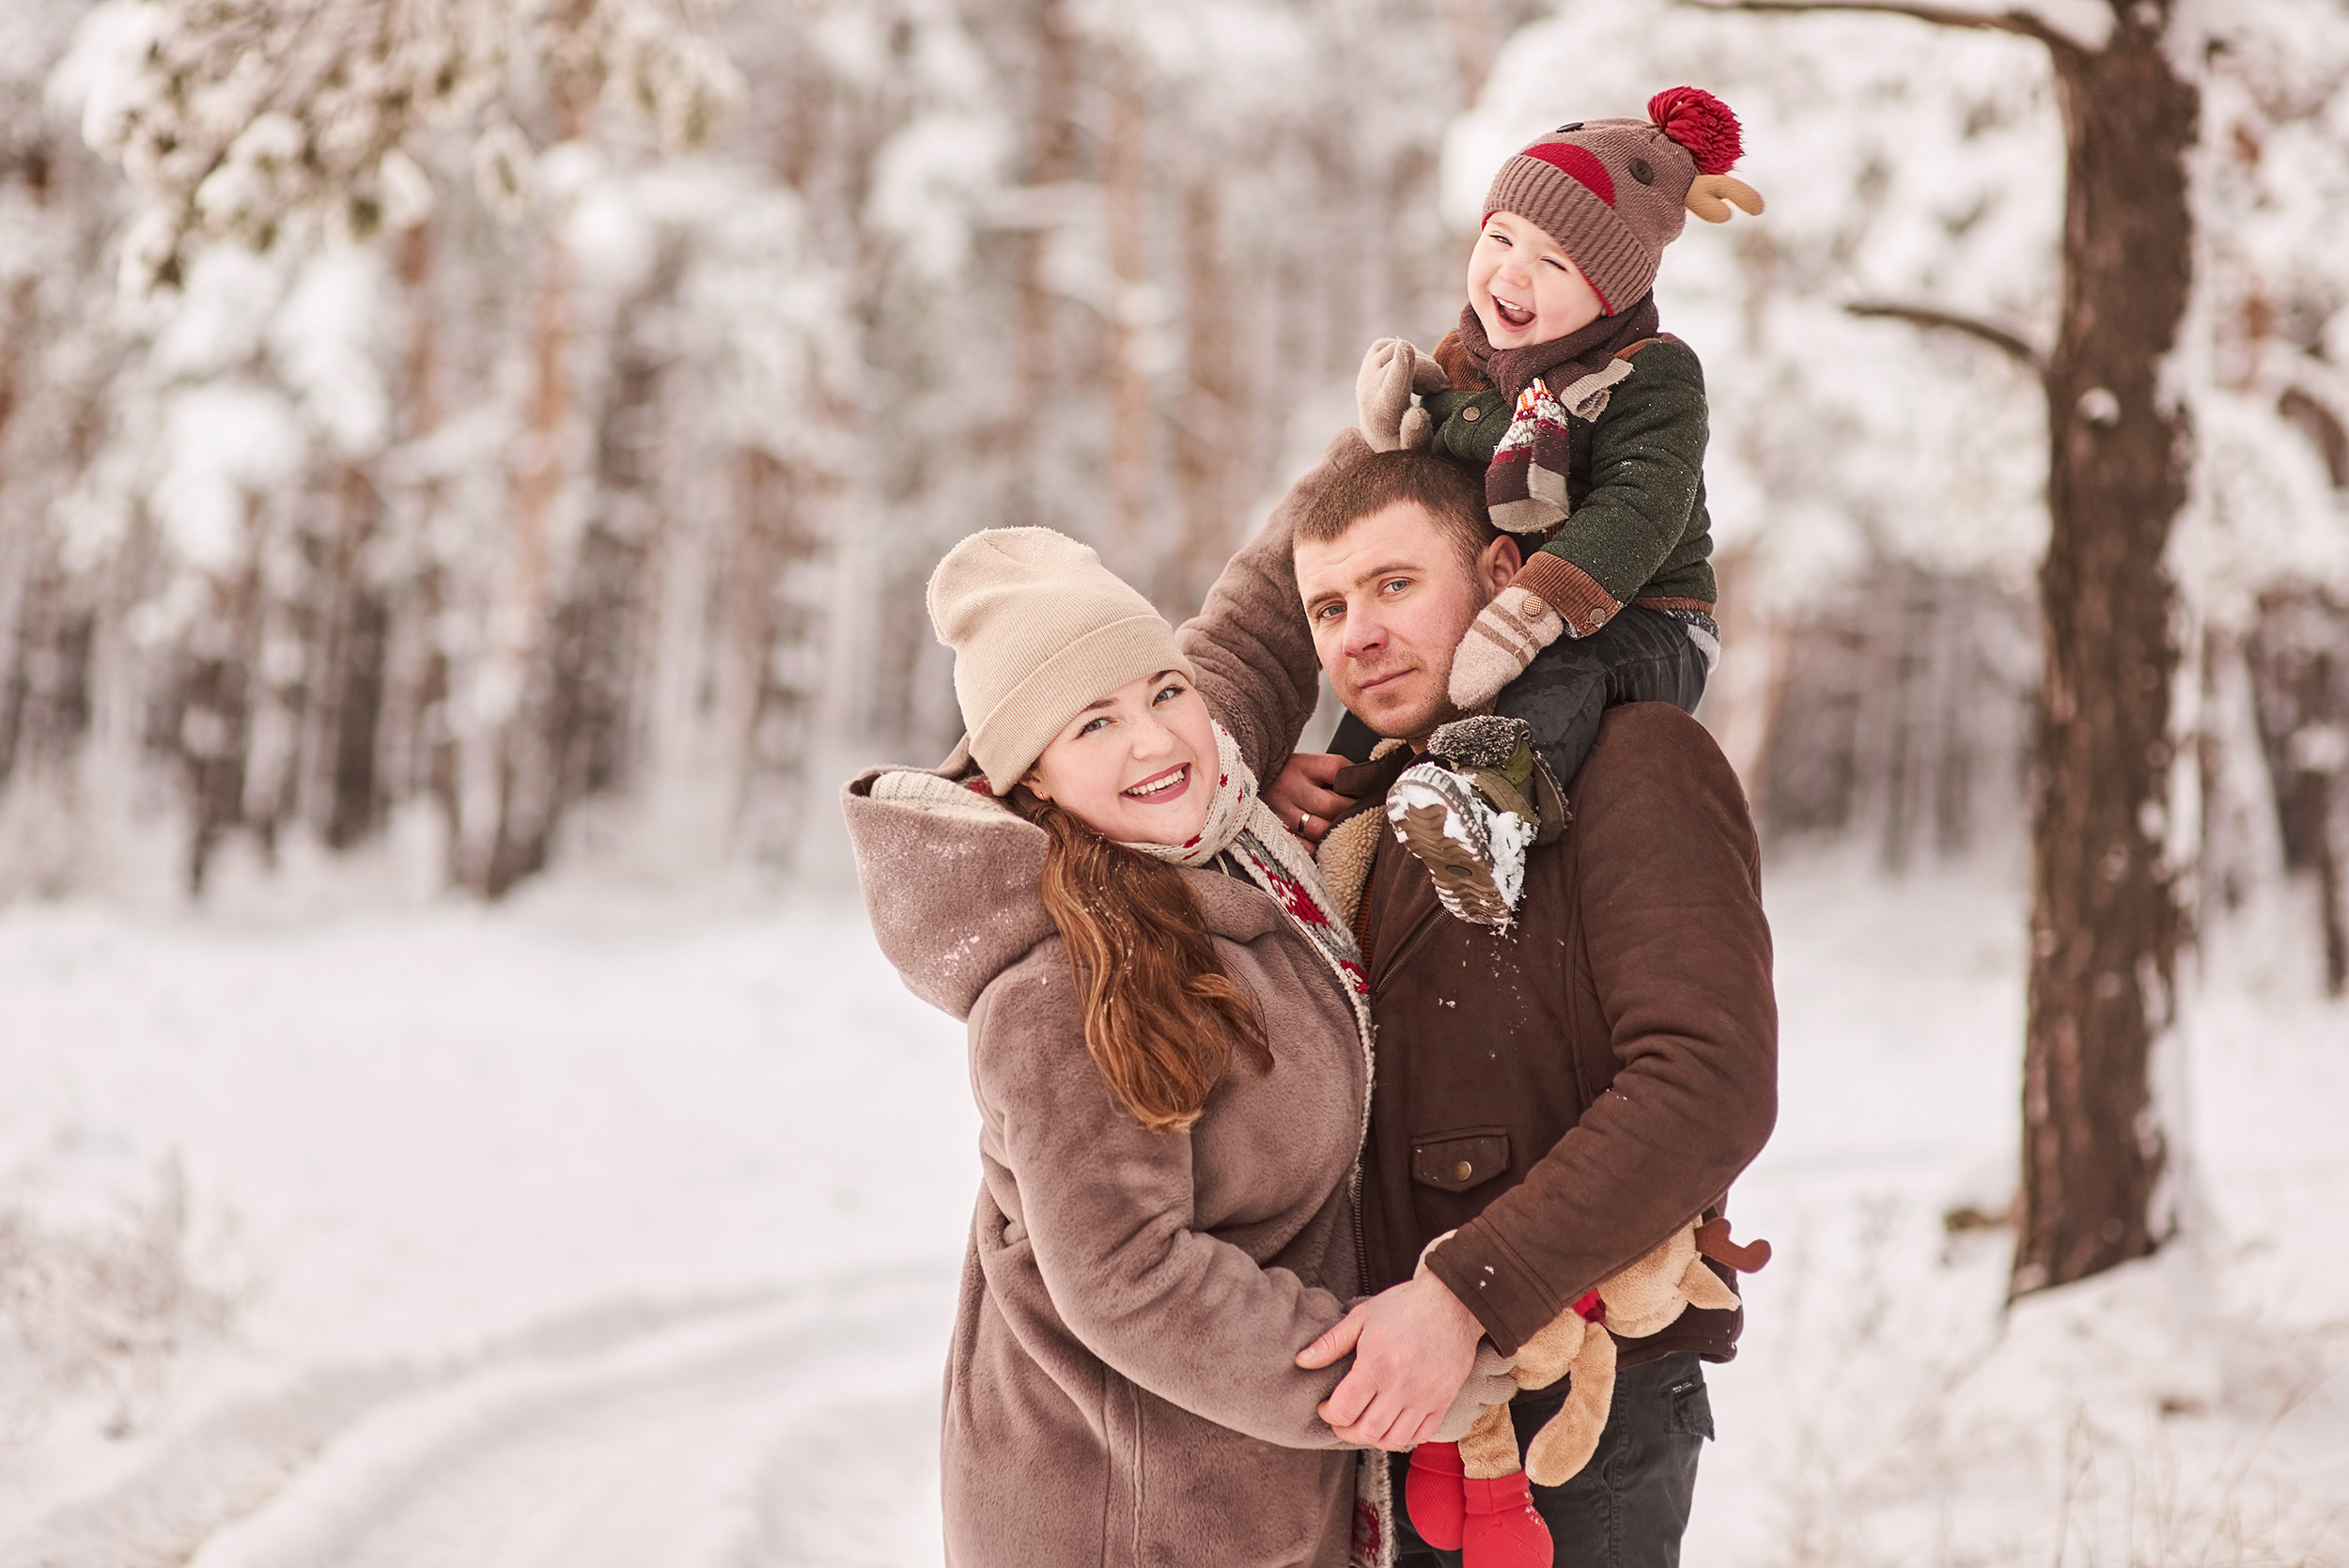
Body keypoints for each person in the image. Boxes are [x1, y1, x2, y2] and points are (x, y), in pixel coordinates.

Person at [843, 527, 1513, 1568]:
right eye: (1093, 722)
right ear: (1035, 780)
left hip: (1240, 1498)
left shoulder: (1198, 809)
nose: (1152, 740)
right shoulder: (1065, 983)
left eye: (1162, 690)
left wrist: (1444, 400)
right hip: (1130, 1520)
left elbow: (1259, 617)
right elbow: (1127, 1273)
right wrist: (1368, 1380)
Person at [1179, 440, 1778, 1568]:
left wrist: (1463, 1293)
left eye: (1396, 584)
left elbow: (1709, 1082)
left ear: (1504, 574)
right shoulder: (1351, 814)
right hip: (1381, 1416)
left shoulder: (1633, 758)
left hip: (1565, 1415)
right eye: (1326, 606)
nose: (1357, 633)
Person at [1346, 87, 1765, 927]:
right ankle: (1335, 809)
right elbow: (1445, 483)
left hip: (1648, 618)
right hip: (1514, 598)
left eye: (1554, 263)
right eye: (1501, 237)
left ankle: (1495, 815)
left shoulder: (1652, 374)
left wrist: (1538, 606)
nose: (1510, 273)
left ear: (1609, 294)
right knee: (1396, 690)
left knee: (1563, 672)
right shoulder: (1471, 358)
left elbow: (1642, 505)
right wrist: (1410, 424)